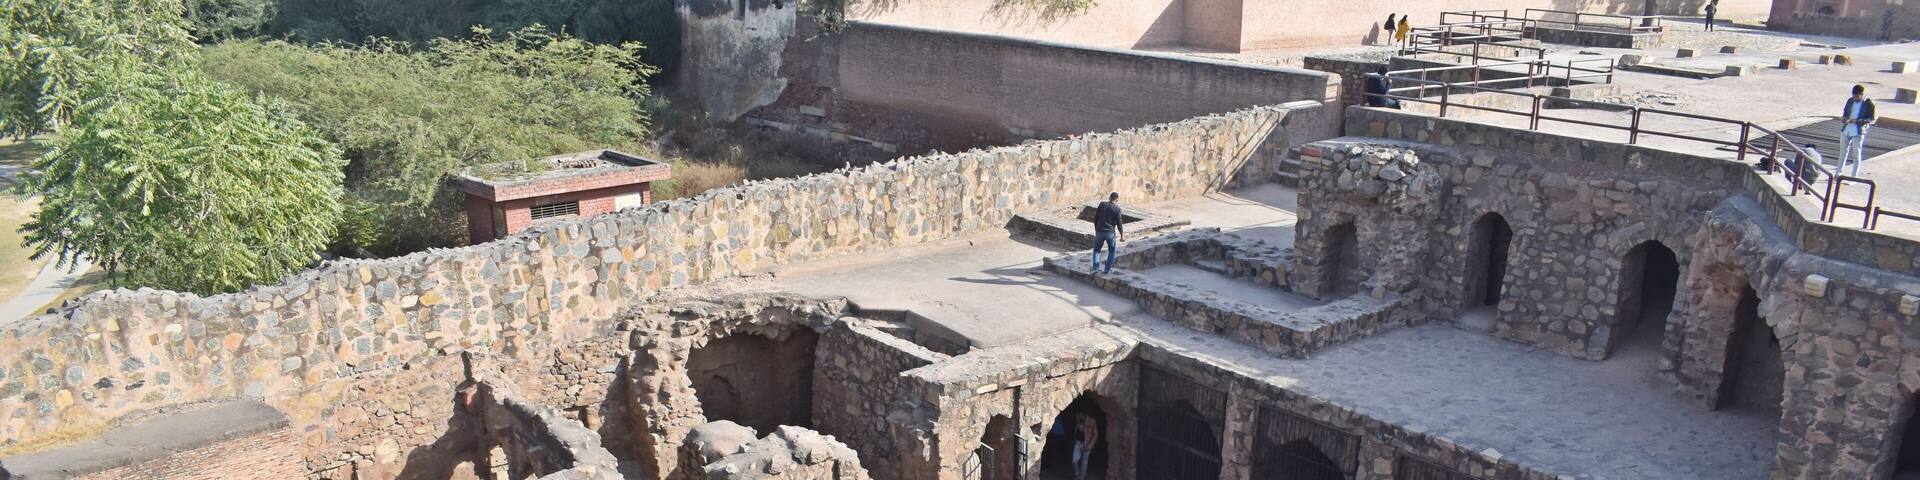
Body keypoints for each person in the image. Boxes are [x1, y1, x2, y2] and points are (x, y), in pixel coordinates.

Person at [1838, 84, 1876, 176]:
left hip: (1858, 131)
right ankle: (1838, 173)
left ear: (1861, 94)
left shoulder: (1868, 103)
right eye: (1853, 95)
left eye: (1856, 96)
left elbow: (1871, 118)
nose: (1854, 98)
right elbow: (1845, 112)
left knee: (1856, 154)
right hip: (1846, 129)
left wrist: (1857, 121)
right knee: (1842, 152)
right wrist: (1845, 119)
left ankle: (1853, 176)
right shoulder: (1850, 101)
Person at [1091, 192, 1124, 274]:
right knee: (1111, 251)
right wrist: (1122, 234)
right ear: (1117, 199)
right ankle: (1107, 270)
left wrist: (1096, 229)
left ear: (1109, 197)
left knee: (1097, 250)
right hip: (1110, 233)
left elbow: (1096, 218)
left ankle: (1095, 269)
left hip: (1100, 231)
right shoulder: (1117, 209)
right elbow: (1119, 223)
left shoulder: (1102, 205)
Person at [1071, 413, 1100, 480]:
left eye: (1080, 413)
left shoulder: (1092, 420)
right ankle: (1077, 475)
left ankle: (1081, 478)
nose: (1078, 414)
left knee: (1084, 462)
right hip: (1078, 442)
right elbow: (1077, 430)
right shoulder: (1077, 419)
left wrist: (1090, 445)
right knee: (1074, 460)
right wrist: (1078, 420)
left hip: (1087, 443)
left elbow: (1095, 434)